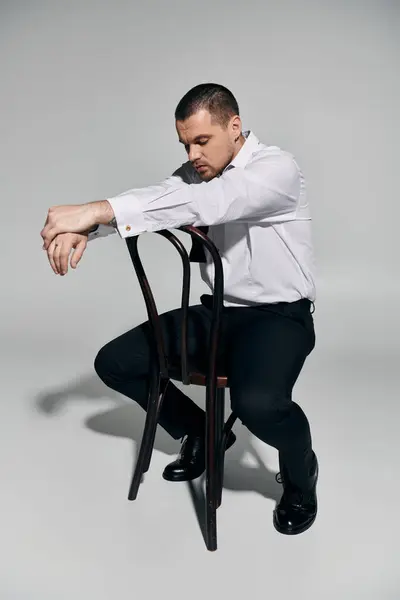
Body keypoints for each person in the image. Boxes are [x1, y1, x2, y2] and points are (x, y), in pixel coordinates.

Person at [41, 83, 318, 535]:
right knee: (115, 363)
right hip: (218, 313)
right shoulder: (199, 172)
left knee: (260, 405)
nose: (192, 154)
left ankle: (302, 473)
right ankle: (205, 432)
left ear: (234, 126)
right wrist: (88, 231)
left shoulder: (276, 169)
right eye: (185, 143)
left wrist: (94, 209)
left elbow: (213, 202)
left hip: (278, 317)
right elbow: (162, 200)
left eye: (201, 141)